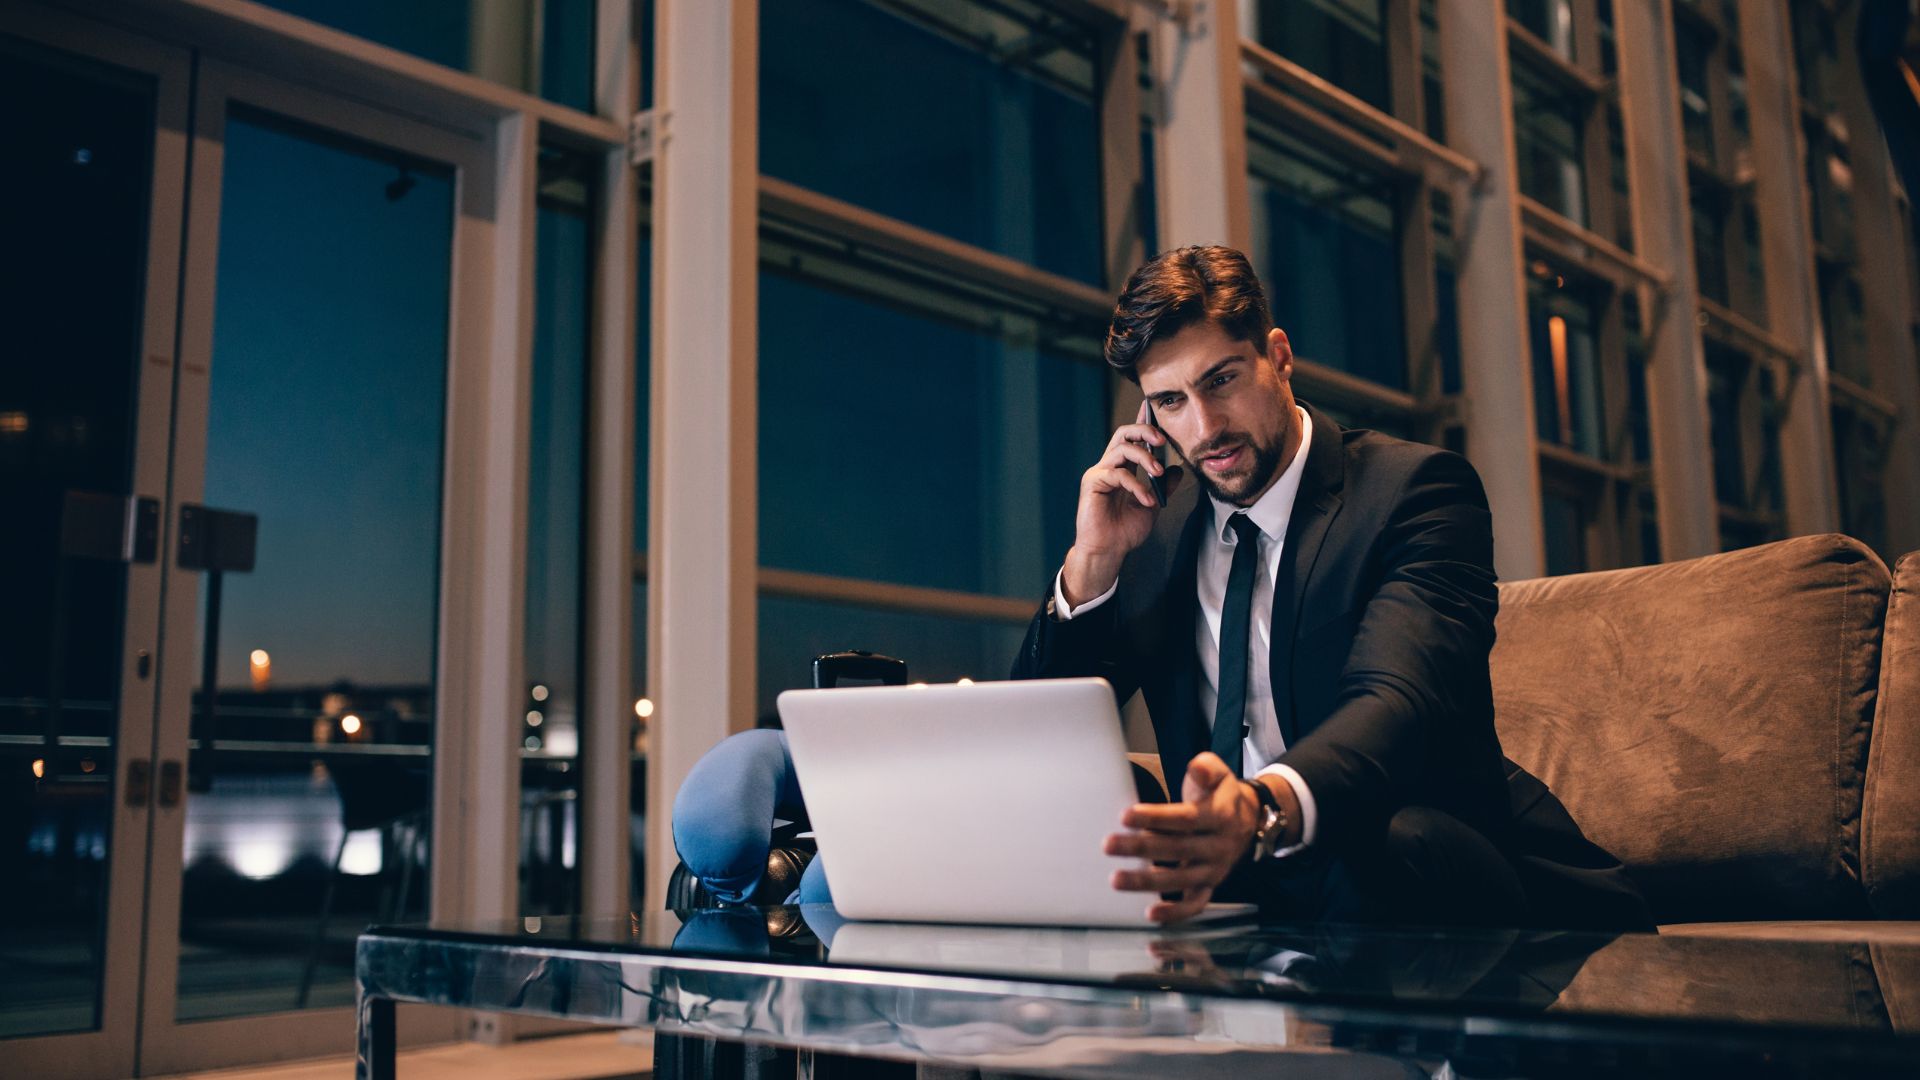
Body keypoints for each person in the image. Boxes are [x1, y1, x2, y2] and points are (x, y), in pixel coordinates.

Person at [674, 245, 1647, 929]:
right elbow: (1032, 732)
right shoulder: (1163, 527)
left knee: (1378, 843)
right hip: (1242, 892)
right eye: (1170, 401)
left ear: (1278, 357)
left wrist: (1257, 811)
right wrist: (1091, 564)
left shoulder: (1413, 493)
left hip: (1433, 858)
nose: (1203, 424)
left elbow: (1397, 707)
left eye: (1222, 380)